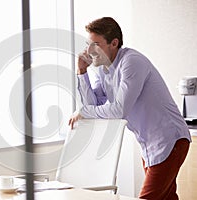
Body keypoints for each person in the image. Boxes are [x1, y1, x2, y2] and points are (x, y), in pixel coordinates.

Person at [68, 17, 191, 200]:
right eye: (88, 44)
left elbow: (119, 110)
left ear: (114, 43)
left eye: (95, 44)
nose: (89, 50)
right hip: (149, 145)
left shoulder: (132, 62)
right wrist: (82, 72)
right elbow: (92, 107)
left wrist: (83, 112)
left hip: (169, 141)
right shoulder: (104, 69)